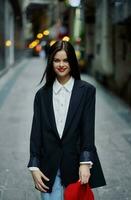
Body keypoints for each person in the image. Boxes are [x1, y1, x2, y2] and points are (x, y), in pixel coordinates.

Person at [27, 40, 106, 200]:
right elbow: (36, 132)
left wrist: (85, 163)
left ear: (72, 62)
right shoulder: (41, 95)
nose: (61, 64)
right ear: (51, 62)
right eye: (56, 60)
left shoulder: (87, 91)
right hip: (48, 167)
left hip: (76, 164)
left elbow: (87, 130)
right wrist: (34, 165)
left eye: (66, 60)